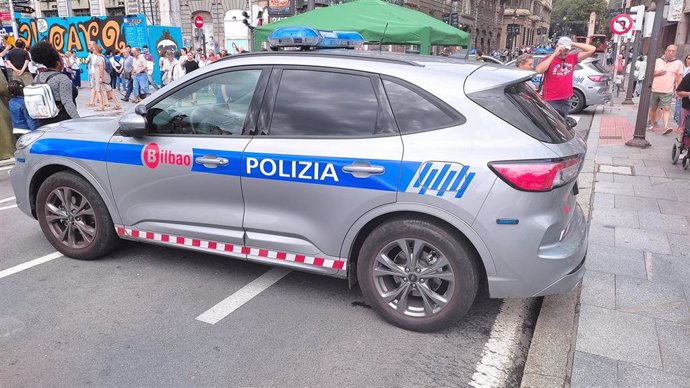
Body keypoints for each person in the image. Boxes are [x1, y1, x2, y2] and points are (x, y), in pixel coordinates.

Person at [535, 36, 596, 118]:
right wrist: (554, 54)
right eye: (561, 50)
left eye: (566, 50)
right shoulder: (549, 59)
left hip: (566, 99)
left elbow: (592, 49)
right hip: (551, 99)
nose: (563, 53)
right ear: (557, 48)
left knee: (562, 125)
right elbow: (539, 70)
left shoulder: (572, 58)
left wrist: (572, 43)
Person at [29, 42, 79, 126]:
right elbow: (67, 103)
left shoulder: (37, 78)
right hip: (62, 122)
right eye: (62, 60)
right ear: (58, 63)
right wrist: (79, 122)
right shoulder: (62, 78)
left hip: (43, 122)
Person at [647, 45, 684, 134]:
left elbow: (679, 78)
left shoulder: (678, 63)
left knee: (666, 108)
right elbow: (649, 73)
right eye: (669, 50)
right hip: (655, 89)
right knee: (653, 108)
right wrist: (657, 73)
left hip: (668, 90)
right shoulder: (658, 61)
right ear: (665, 51)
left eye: (673, 51)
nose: (670, 52)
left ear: (676, 52)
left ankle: (666, 126)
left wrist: (679, 90)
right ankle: (652, 124)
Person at [673, 54, 690, 133]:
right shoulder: (688, 76)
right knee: (684, 128)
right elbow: (679, 91)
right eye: (688, 58)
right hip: (687, 105)